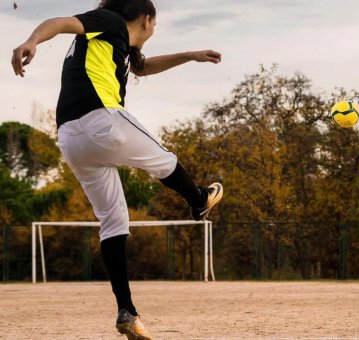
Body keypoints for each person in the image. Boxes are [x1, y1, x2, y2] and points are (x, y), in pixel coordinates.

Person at [12, 1, 224, 339]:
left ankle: (127, 311)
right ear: (146, 18)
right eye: (154, 26)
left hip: (71, 138)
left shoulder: (114, 43)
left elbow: (141, 67)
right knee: (164, 158)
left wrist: (190, 55)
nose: (153, 32)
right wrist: (33, 40)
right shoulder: (109, 21)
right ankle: (198, 199)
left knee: (113, 221)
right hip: (101, 122)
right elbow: (61, 21)